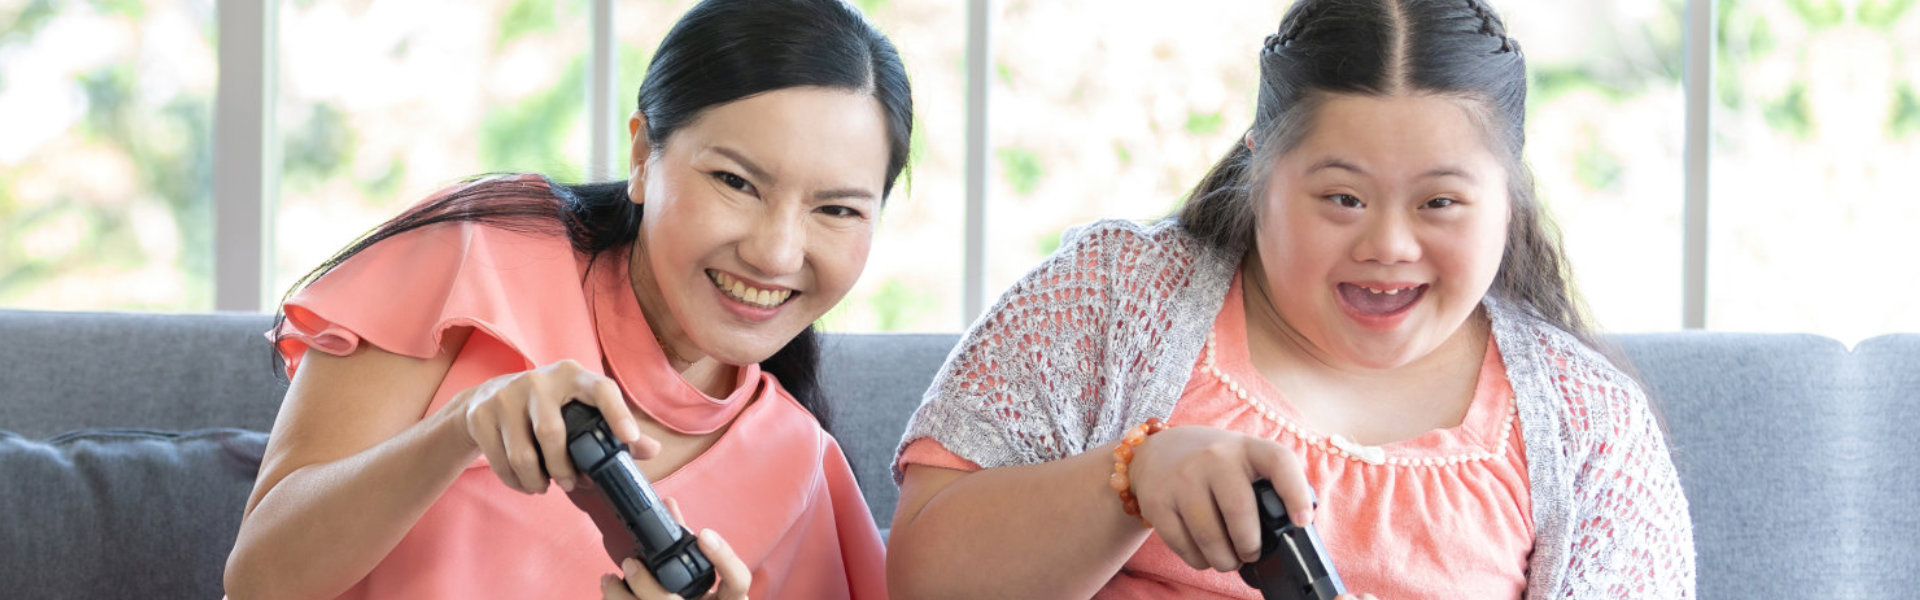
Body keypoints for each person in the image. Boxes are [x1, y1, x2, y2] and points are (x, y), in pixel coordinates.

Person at [886, 0, 1695, 598]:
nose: (1388, 245)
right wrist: (1130, 480)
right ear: (1257, 169)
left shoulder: (1591, 427)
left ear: (1510, 196)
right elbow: (920, 578)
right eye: (1342, 198)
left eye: (1440, 203)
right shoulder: (1109, 299)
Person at [222, 1, 911, 598]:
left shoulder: (799, 468)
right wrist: (459, 427)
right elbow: (258, 577)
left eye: (838, 210)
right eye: (736, 182)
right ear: (643, 156)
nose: (776, 253)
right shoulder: (475, 262)